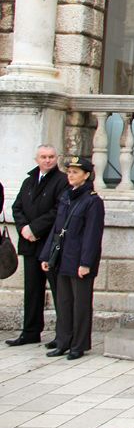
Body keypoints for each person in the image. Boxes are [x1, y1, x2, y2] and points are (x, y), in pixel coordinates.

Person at [38, 157, 104, 360]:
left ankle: (79, 344)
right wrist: (48, 255)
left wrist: (85, 263)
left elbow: (92, 235)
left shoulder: (92, 201)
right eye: (69, 172)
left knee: (81, 304)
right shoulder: (66, 197)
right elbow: (57, 229)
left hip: (79, 260)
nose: (71, 176)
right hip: (63, 257)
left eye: (75, 172)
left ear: (86, 175)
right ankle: (63, 340)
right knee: (64, 301)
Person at [7, 145, 68, 348]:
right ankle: (30, 331)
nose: (47, 160)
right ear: (37, 159)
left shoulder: (62, 181)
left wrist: (35, 228)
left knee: (59, 290)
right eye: (43, 157)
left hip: (49, 244)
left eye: (51, 157)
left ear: (56, 158)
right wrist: (24, 228)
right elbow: (17, 207)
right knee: (32, 290)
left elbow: (58, 210)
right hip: (29, 244)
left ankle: (62, 335)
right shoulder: (29, 181)